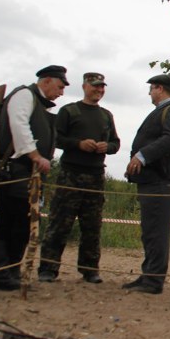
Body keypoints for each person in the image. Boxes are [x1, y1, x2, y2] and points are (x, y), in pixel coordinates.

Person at [0, 65, 68, 290]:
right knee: (9, 222)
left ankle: (12, 271)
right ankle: (0, 275)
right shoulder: (25, 95)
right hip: (16, 171)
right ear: (47, 80)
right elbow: (19, 126)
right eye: (60, 86)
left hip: (29, 174)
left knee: (22, 224)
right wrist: (35, 156)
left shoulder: (40, 104)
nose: (61, 92)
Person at [38, 72, 120, 284]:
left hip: (96, 176)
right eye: (95, 86)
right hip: (70, 175)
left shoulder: (106, 115)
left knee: (92, 226)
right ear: (84, 87)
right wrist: (78, 144)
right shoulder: (69, 111)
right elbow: (56, 138)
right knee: (59, 223)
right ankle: (48, 269)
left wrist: (107, 146)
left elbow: (116, 143)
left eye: (102, 87)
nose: (99, 90)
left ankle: (90, 270)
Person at [123, 74, 170, 295]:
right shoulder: (163, 111)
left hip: (161, 180)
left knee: (157, 231)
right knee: (150, 230)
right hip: (153, 179)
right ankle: (148, 275)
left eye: (151, 88)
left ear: (160, 88)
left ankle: (153, 281)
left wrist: (142, 156)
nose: (150, 93)